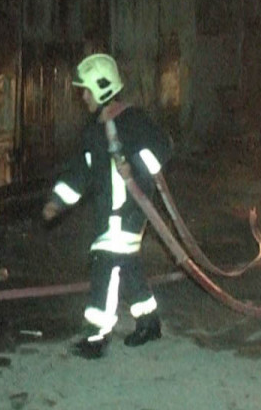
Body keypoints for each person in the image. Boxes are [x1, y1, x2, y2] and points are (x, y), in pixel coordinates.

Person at [42, 53, 172, 359]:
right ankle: (149, 321)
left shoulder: (133, 121)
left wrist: (136, 163)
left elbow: (162, 148)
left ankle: (97, 335)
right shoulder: (93, 131)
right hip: (109, 214)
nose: (83, 96)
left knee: (105, 264)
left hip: (126, 213)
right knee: (128, 265)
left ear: (101, 88)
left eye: (86, 90)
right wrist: (57, 202)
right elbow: (81, 172)